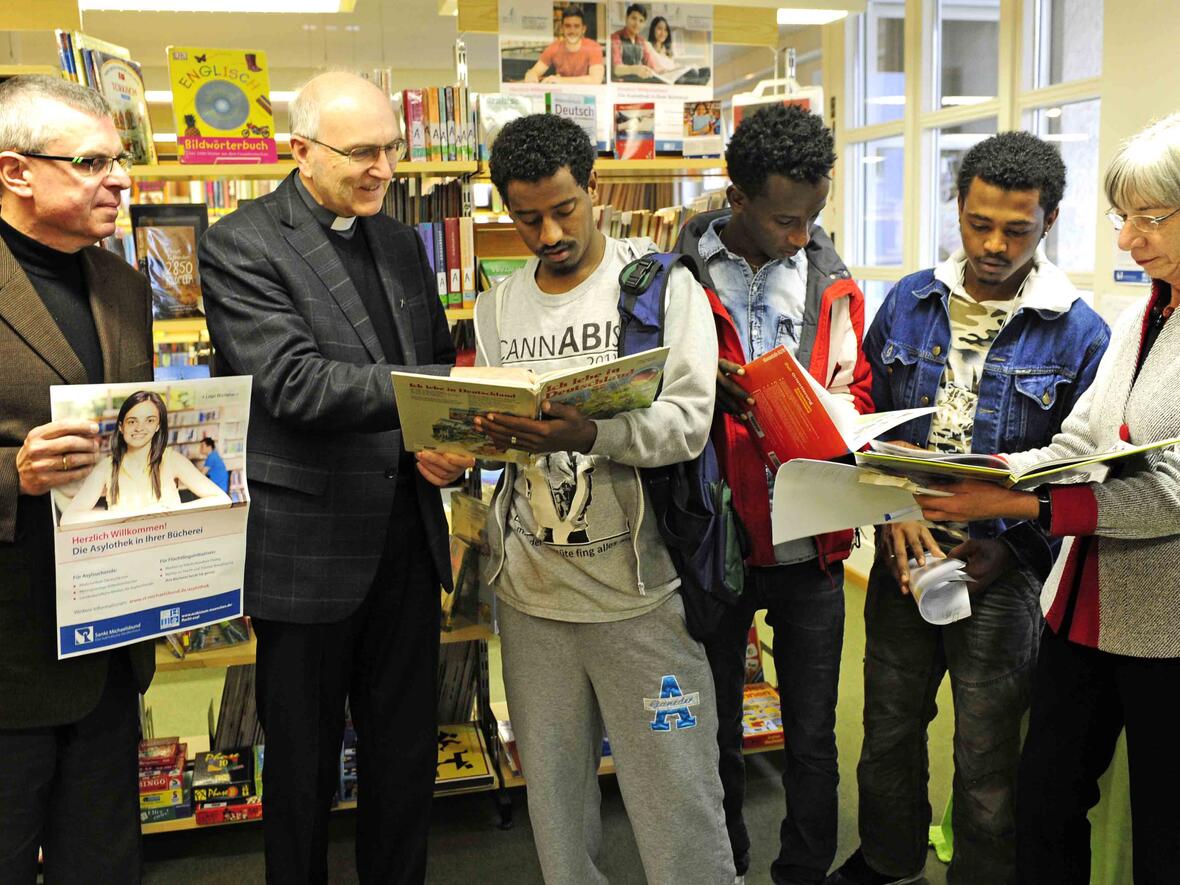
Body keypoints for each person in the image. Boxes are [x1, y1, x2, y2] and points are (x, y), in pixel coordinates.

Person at [198, 71, 471, 884]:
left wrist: (445, 433)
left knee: (404, 758)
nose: (384, 169)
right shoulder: (240, 242)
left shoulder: (396, 237)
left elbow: (428, 356)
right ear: (302, 152)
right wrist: (431, 396)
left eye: (393, 149)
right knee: (302, 771)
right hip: (305, 549)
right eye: (363, 153)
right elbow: (291, 383)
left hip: (409, 538)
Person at [826, 132, 1110, 885]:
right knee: (886, 731)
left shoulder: (1079, 330)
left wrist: (1011, 551)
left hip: (1003, 571)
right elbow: (865, 422)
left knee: (988, 755)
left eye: (1016, 228)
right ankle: (888, 858)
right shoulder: (910, 302)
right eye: (979, 222)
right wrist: (890, 515)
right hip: (903, 556)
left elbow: (1079, 475)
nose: (993, 243)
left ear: (1050, 220)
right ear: (958, 207)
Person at [913, 112, 1180, 885]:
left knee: (1166, 832)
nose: (1128, 240)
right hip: (1081, 611)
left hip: (1165, 627)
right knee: (1046, 800)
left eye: (1149, 219)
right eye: (1122, 217)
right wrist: (992, 471)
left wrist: (1032, 508)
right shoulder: (1143, 313)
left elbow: (1170, 495)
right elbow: (1079, 443)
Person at [474, 112, 733, 885]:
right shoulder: (497, 308)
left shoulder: (663, 286)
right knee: (553, 806)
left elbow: (687, 423)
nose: (548, 232)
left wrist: (592, 433)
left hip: (641, 593)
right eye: (527, 217)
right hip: (531, 595)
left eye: (564, 209)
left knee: (677, 799)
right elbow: (499, 438)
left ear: (596, 187)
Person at [672, 103, 872, 885]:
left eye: (814, 217)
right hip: (714, 537)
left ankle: (803, 870)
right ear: (738, 197)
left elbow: (855, 380)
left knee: (813, 732)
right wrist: (701, 392)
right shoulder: (678, 277)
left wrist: (837, 408)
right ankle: (726, 864)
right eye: (786, 219)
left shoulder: (833, 280)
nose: (802, 235)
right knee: (712, 729)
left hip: (811, 539)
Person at [0, 74, 156, 884]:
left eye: (120, 159)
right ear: (16, 172)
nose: (121, 179)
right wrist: (13, 475)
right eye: (93, 161)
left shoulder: (125, 285)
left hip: (105, 649)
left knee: (102, 865)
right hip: (8, 659)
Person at [61, 392, 231, 524]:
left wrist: (175, 510)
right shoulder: (107, 467)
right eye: (132, 421)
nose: (139, 428)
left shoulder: (172, 460)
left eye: (149, 420)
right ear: (121, 427)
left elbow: (222, 499)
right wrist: (119, 516)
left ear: (157, 426)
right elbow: (68, 518)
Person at [523, 5, 605, 85]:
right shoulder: (554, 47)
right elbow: (535, 71)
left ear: (583, 29)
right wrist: (531, 75)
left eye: (576, 26)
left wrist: (560, 80)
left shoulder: (593, 47)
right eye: (568, 26)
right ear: (562, 28)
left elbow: (595, 79)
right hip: (561, 95)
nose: (572, 31)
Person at [611, 3, 665, 80]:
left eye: (641, 21)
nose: (637, 23)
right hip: (621, 85)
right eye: (634, 18)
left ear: (644, 24)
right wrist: (636, 69)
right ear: (626, 18)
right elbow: (617, 69)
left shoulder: (641, 41)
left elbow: (652, 65)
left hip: (639, 83)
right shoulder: (615, 38)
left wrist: (665, 71)